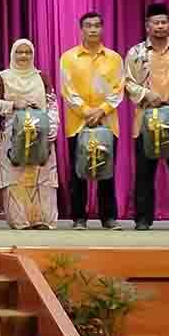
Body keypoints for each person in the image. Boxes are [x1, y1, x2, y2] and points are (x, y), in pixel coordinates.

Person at [125, 2, 169, 231]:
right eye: (155, 22)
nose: (160, 26)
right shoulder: (135, 53)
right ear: (147, 26)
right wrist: (146, 94)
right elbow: (127, 83)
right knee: (145, 174)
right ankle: (143, 219)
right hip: (146, 120)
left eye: (163, 22)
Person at [59, 12, 125, 230]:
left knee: (107, 171)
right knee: (79, 172)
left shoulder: (114, 58)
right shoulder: (69, 58)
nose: (93, 30)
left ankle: (108, 217)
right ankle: (79, 217)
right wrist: (87, 112)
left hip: (107, 122)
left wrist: (102, 111)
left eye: (97, 25)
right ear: (81, 29)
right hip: (78, 122)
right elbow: (67, 90)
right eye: (88, 26)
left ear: (102, 29)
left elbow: (118, 89)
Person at [0, 39, 59, 229]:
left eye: (28, 52)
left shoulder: (41, 77)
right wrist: (13, 105)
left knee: (43, 178)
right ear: (13, 54)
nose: (23, 56)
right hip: (13, 136)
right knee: (15, 178)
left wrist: (53, 127)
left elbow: (52, 103)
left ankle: (43, 219)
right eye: (19, 52)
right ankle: (20, 221)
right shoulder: (3, 77)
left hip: (41, 134)